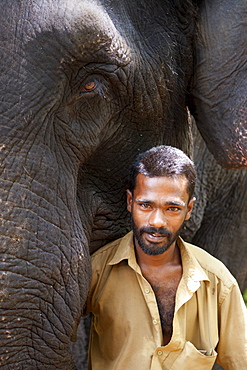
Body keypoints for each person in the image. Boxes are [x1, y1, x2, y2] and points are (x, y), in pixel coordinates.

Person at [84, 145, 247, 370]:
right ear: (130, 202)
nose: (157, 221)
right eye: (146, 205)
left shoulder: (218, 283)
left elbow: (241, 361)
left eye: (172, 208)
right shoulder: (97, 271)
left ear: (189, 209)